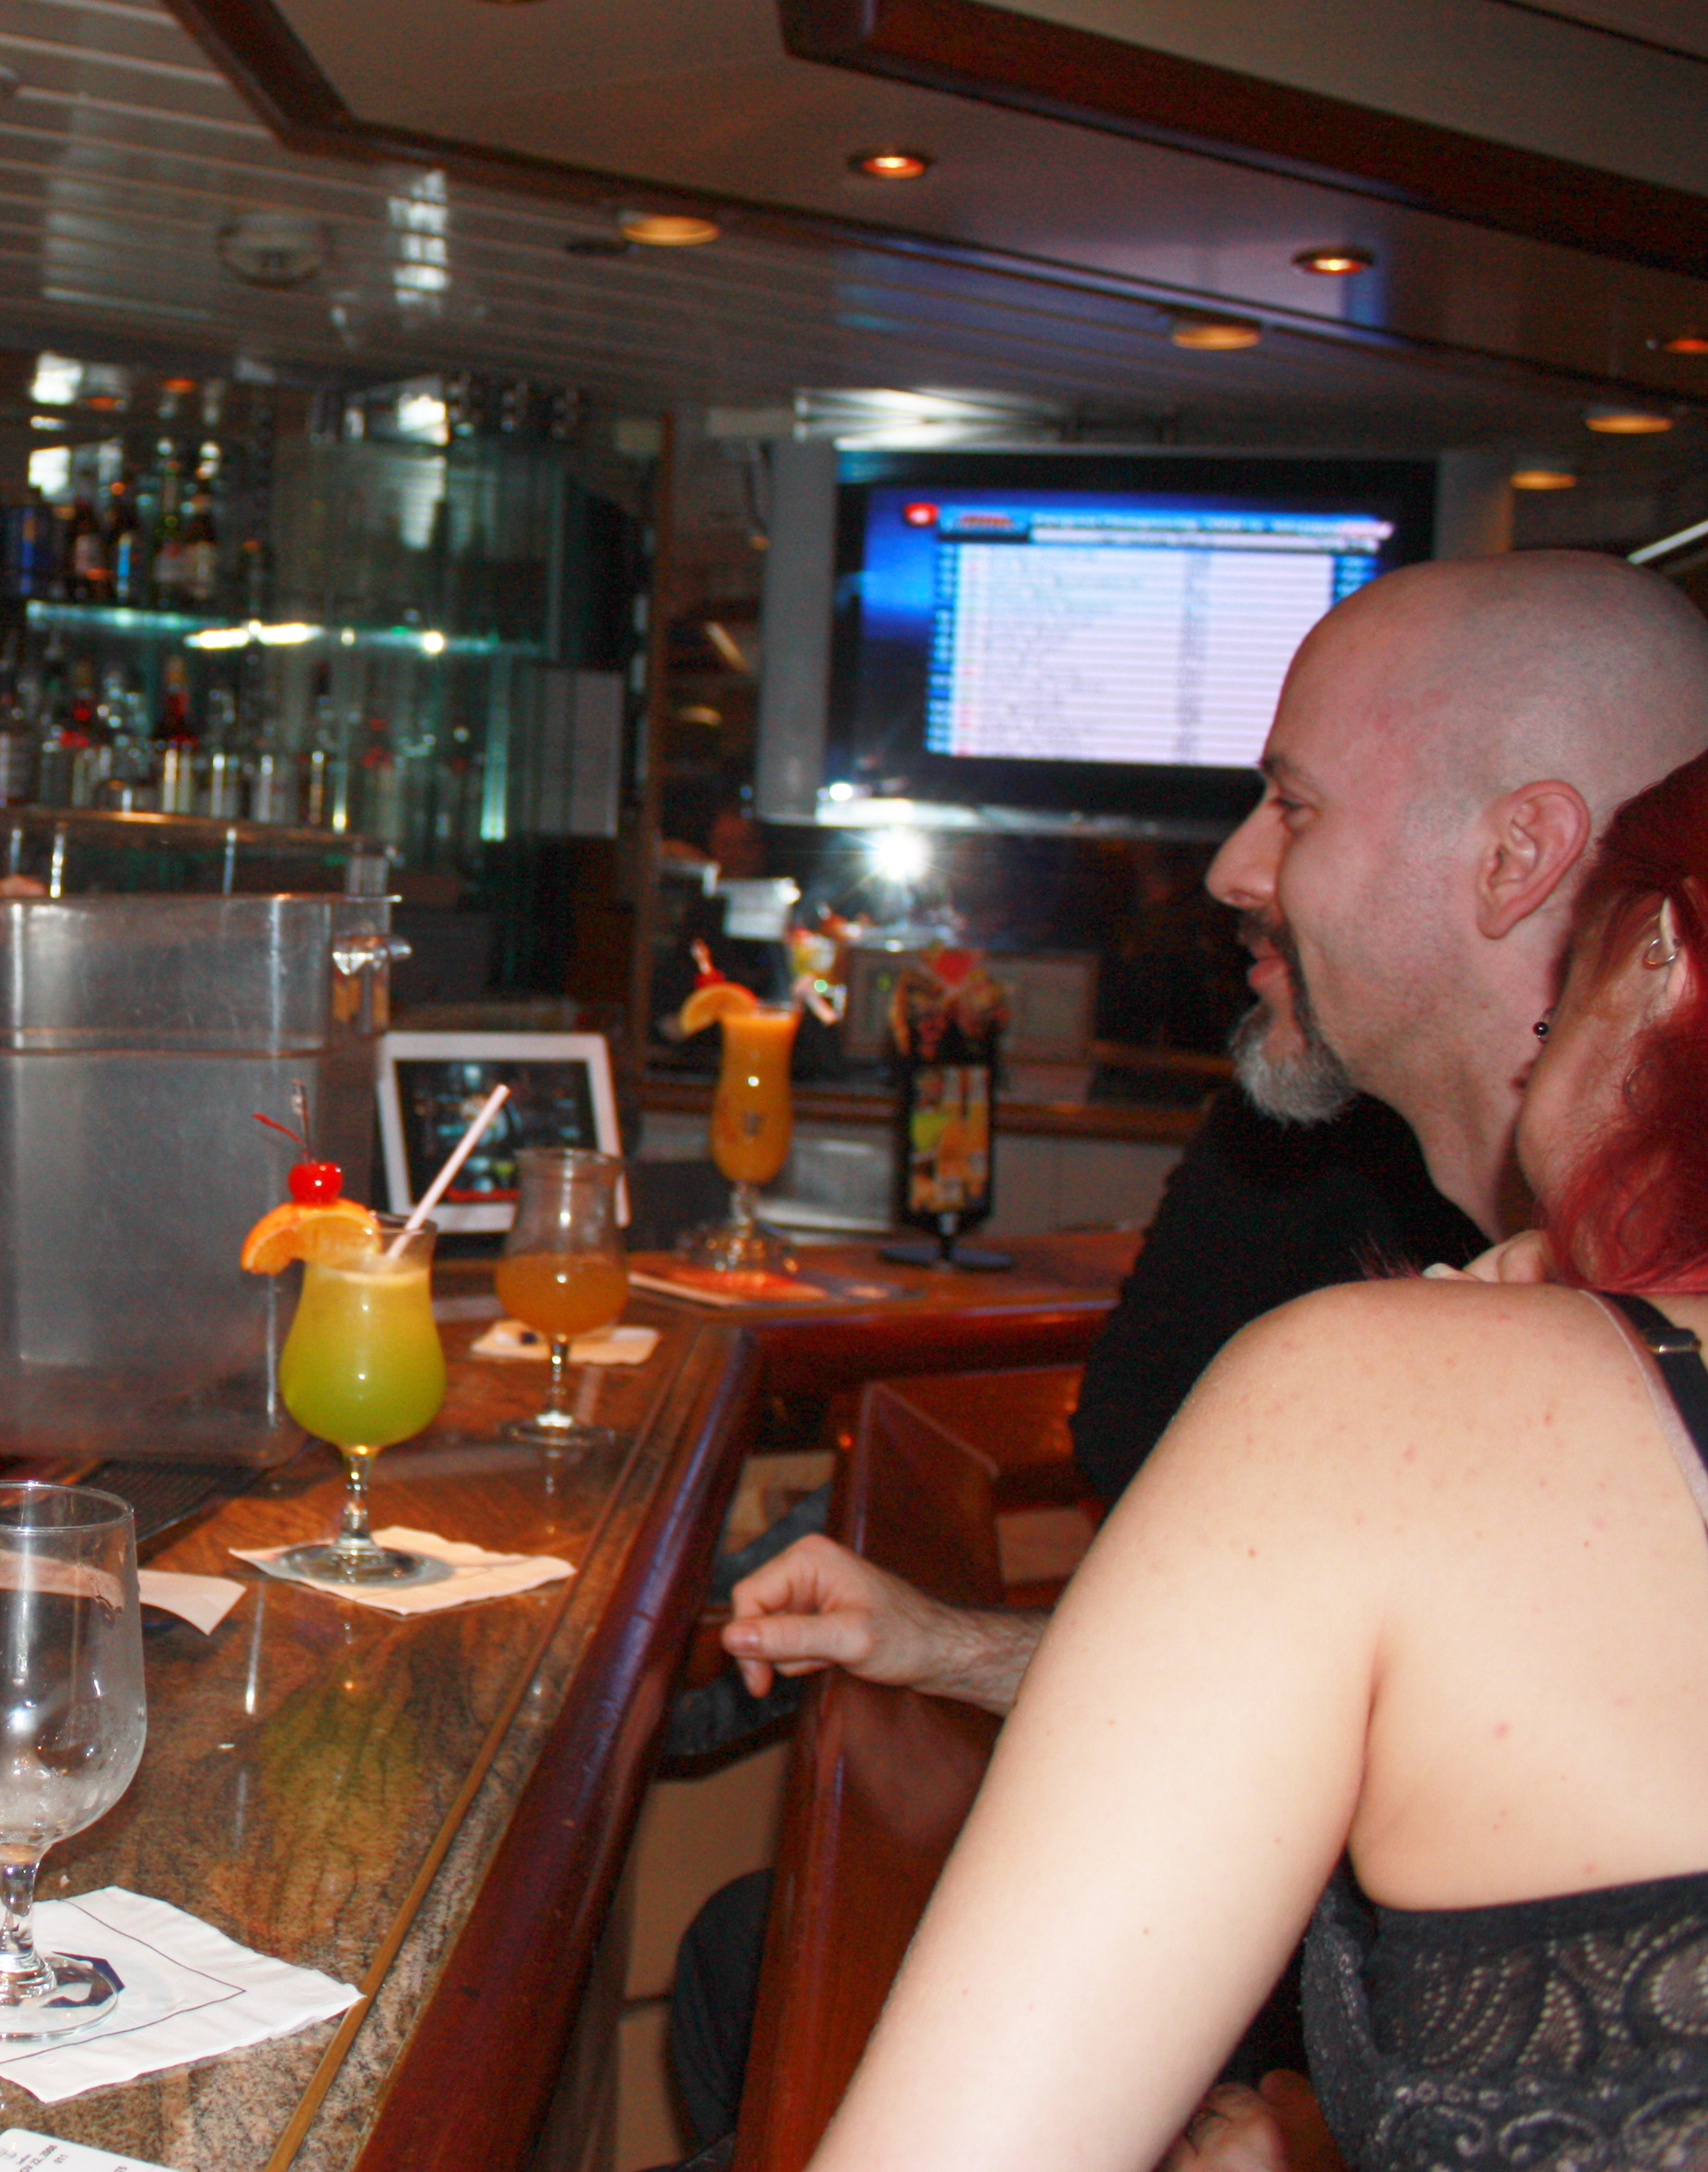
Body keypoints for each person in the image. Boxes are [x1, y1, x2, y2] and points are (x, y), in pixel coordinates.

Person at [663, 552, 1708, 2148]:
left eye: (1293, 804)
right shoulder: (1489, 1323)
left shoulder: (1390, 1383)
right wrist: (960, 1645)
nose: (1228, 866)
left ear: (1595, 911)